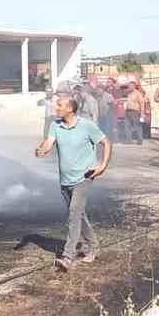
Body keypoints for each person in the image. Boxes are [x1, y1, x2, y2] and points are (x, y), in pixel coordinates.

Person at [35, 95, 112, 270]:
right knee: (79, 215)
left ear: (70, 108)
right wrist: (41, 150)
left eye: (60, 105)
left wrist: (102, 166)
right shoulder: (55, 125)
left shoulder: (86, 126)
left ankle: (68, 256)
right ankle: (94, 247)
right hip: (65, 179)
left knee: (73, 215)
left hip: (84, 177)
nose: (56, 108)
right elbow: (48, 143)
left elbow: (106, 143)